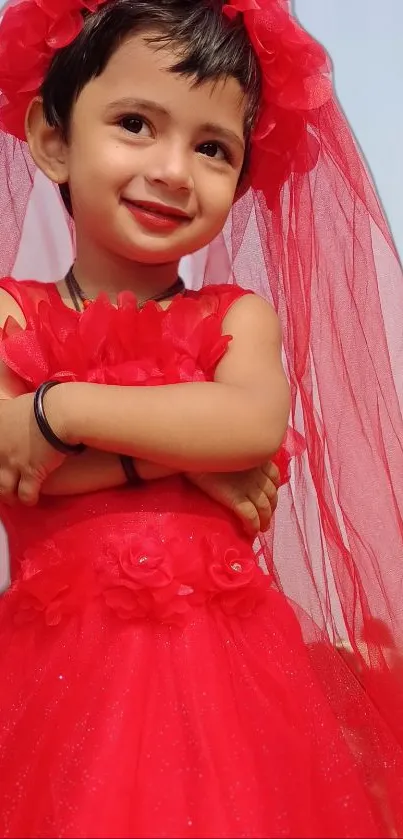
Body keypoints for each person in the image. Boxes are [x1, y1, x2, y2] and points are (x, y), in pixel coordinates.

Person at [0, 0, 402, 837]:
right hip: (57, 682)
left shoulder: (236, 318)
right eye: (136, 123)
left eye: (211, 147)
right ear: (53, 138)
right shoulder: (11, 314)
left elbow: (249, 425)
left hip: (229, 683)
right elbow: (16, 462)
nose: (174, 169)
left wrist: (60, 407)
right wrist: (184, 457)